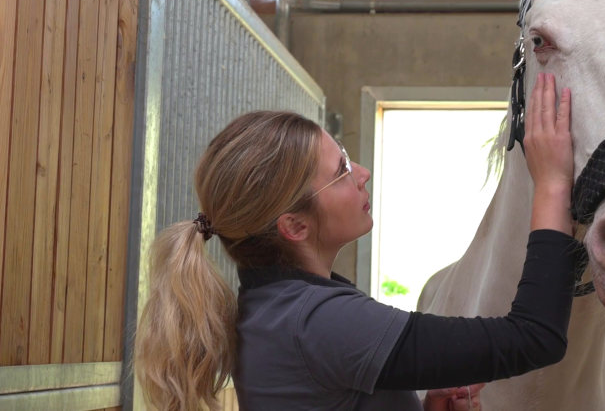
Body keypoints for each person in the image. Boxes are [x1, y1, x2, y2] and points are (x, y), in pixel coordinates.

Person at [134, 73, 578, 411]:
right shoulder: (317, 322)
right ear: (295, 227)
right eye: (341, 171)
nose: (361, 172)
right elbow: (534, 337)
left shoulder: (278, 308)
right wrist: (553, 183)